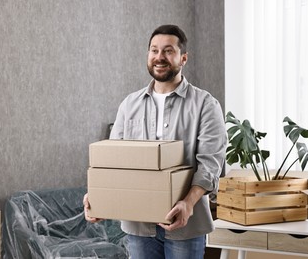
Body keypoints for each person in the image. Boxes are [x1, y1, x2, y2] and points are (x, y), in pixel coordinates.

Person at [83, 24, 226, 259]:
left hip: (185, 226)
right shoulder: (129, 105)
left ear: (183, 58)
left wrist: (188, 203)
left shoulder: (205, 105)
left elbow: (210, 164)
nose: (160, 57)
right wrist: (98, 198)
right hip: (139, 227)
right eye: (154, 50)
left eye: (168, 51)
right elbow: (114, 161)